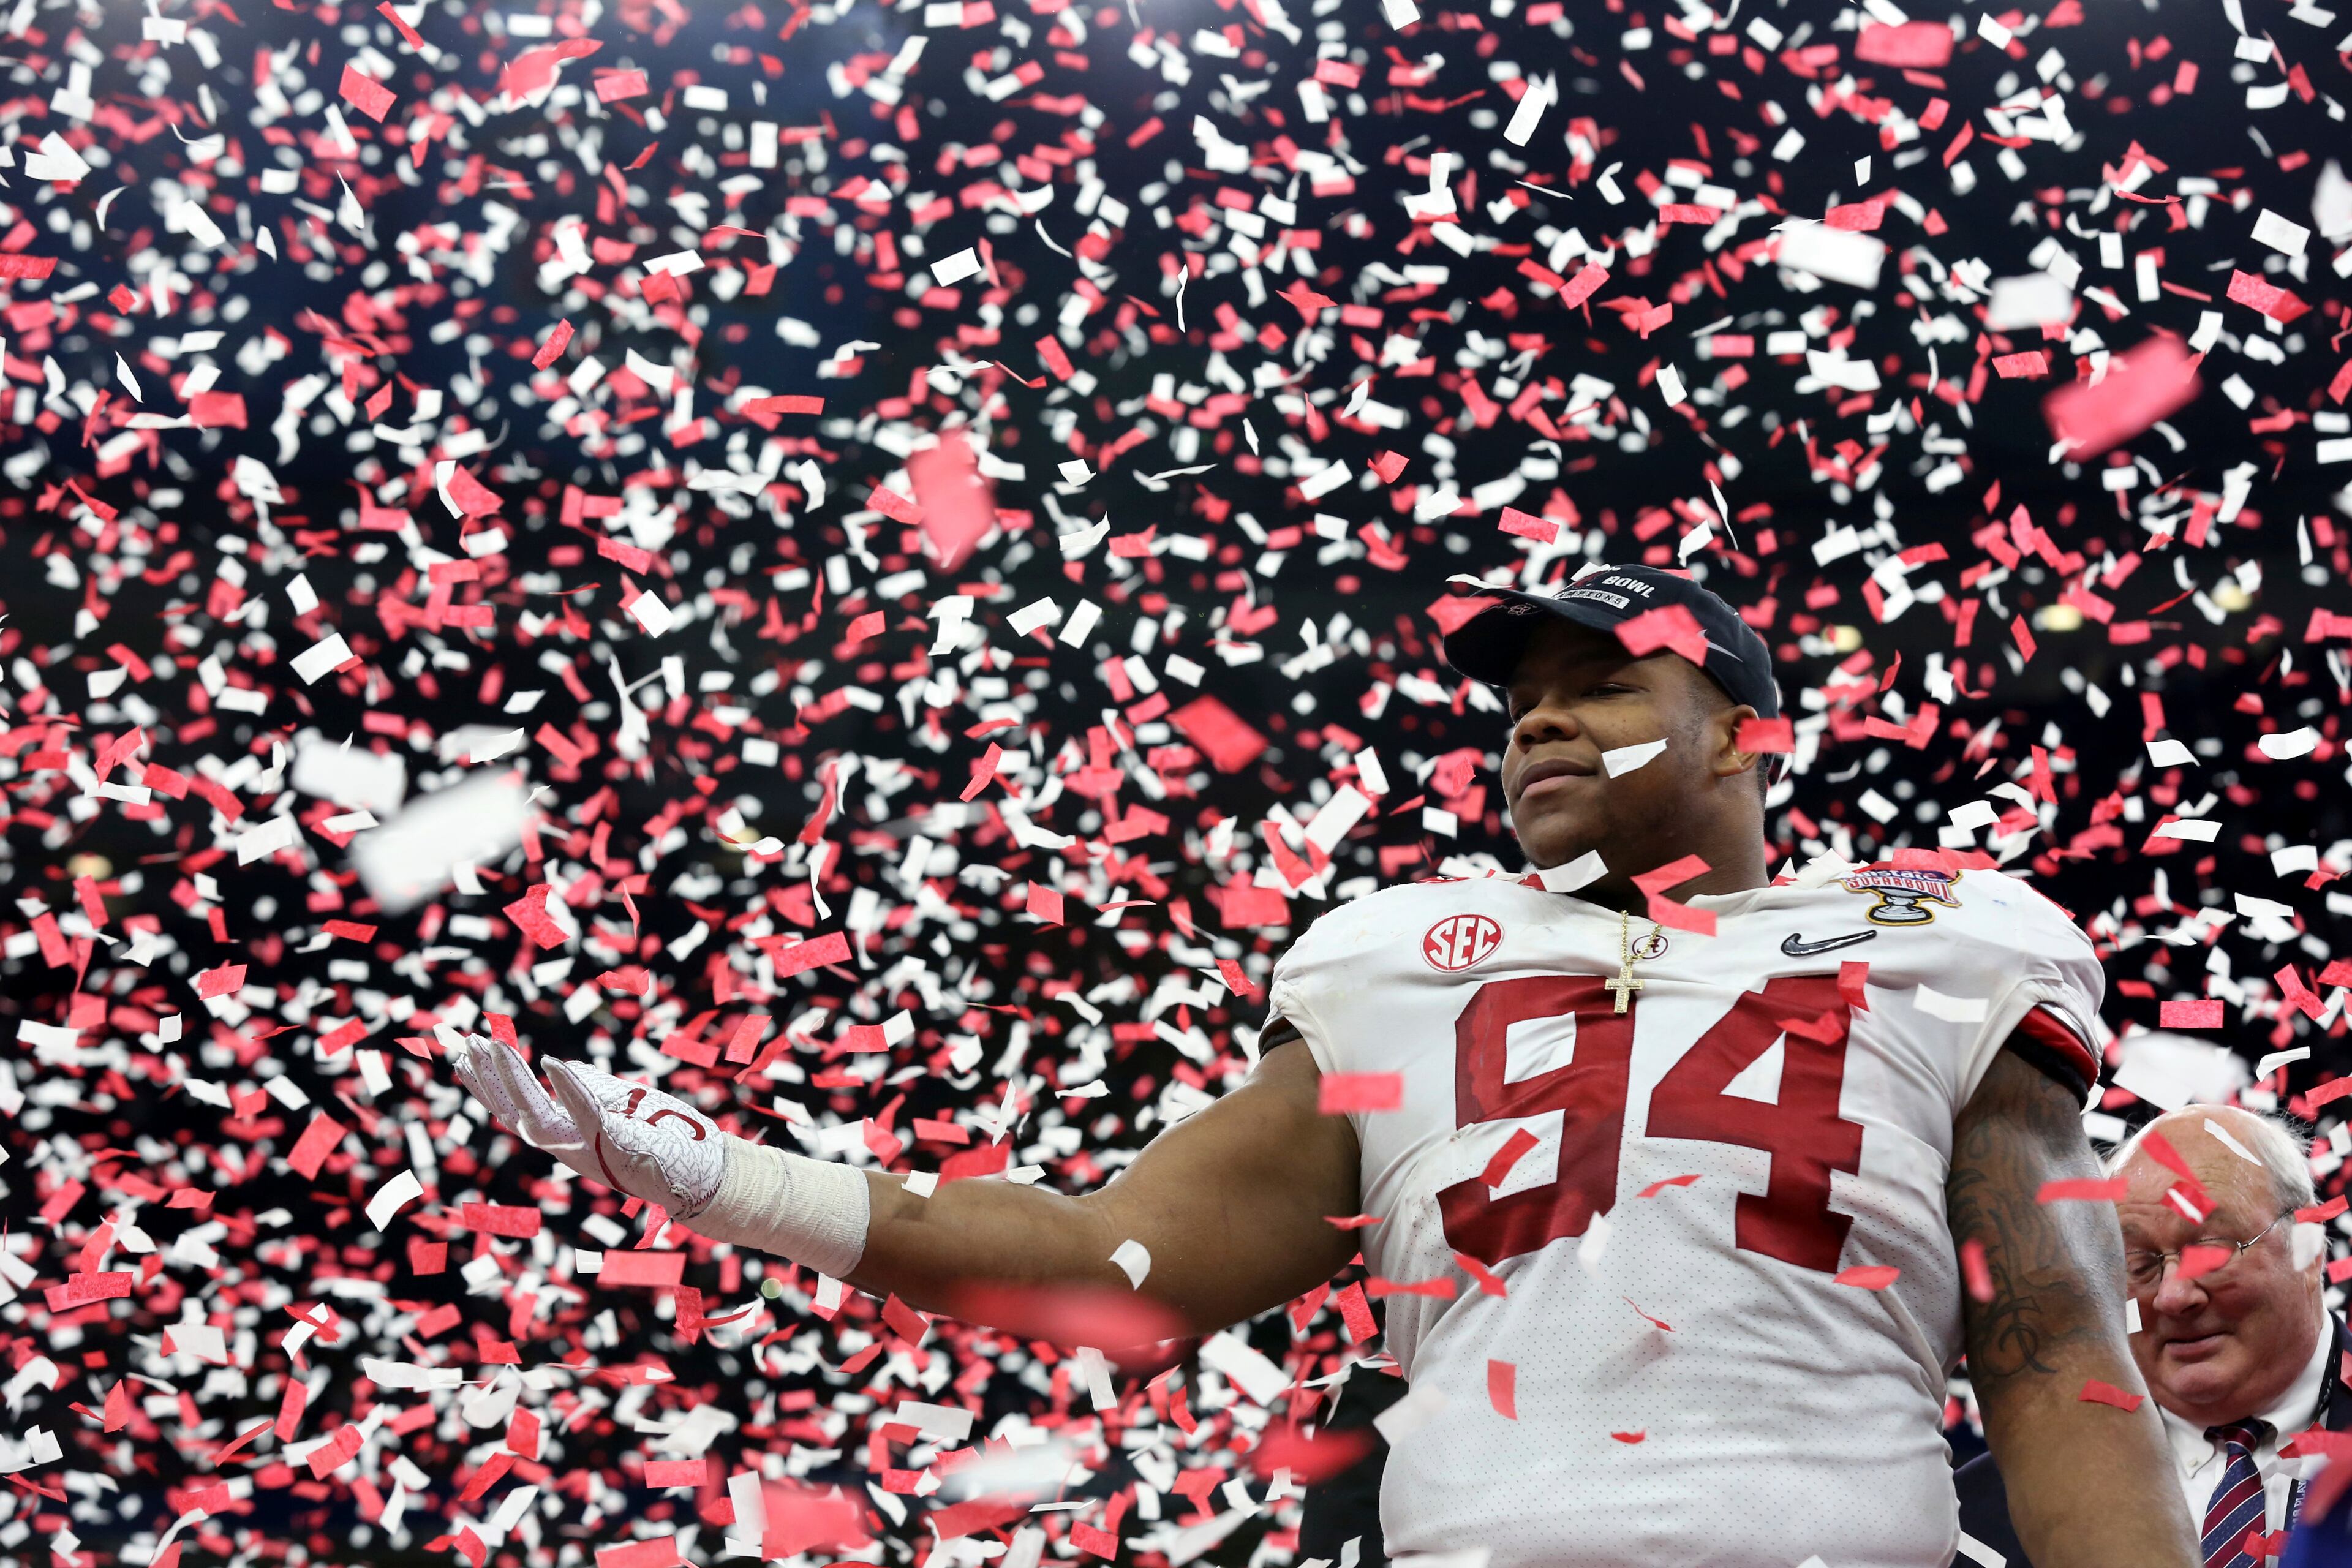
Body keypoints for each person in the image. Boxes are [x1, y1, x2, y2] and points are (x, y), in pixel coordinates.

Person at [461, 564, 2202, 1568]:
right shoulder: (1401, 966)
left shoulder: (1949, 942)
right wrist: (719, 1178)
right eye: (1518, 698)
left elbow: (2055, 1356)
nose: (1533, 721)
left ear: (1748, 737)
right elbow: (1112, 1268)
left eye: (1598, 685)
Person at [1956, 1107, 2348, 1568]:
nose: (2173, 1296)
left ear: (2309, 1245)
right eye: (2138, 1265)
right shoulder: (1980, 1518)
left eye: (2212, 1250)